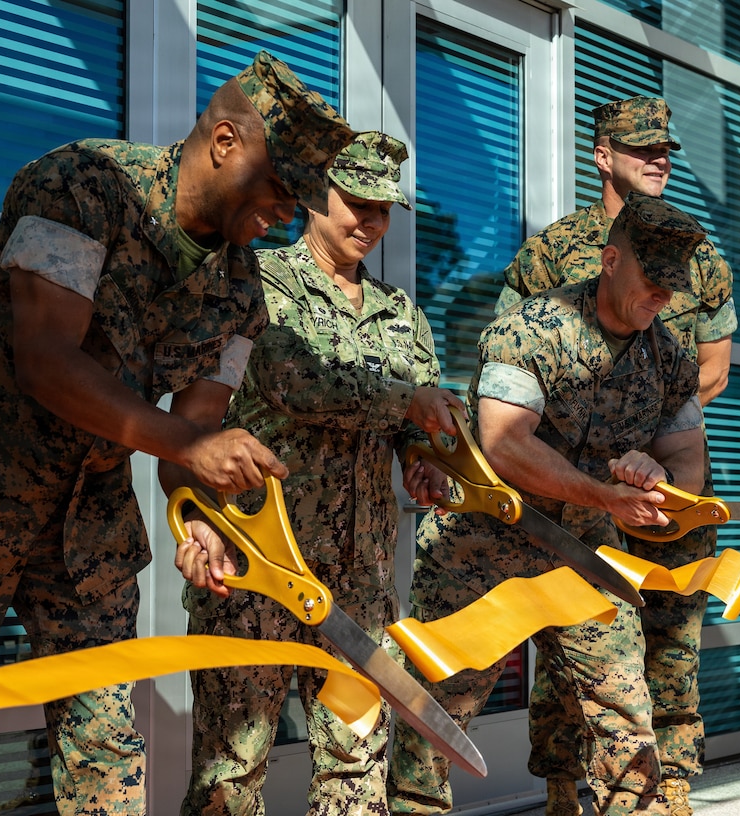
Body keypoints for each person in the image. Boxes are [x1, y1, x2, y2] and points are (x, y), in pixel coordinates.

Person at [0, 50, 355, 816]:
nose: (287, 214)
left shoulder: (242, 293)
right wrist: (186, 445)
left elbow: (194, 431)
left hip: (87, 521)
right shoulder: (81, 186)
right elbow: (45, 359)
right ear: (226, 141)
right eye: (280, 189)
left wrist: (199, 521)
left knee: (105, 751)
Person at [170, 130, 464, 816]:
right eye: (355, 202)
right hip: (257, 573)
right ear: (313, 196)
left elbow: (409, 431)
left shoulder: (402, 315)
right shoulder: (258, 285)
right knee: (229, 778)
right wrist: (407, 401)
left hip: (358, 589)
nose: (369, 222)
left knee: (357, 774)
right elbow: (294, 380)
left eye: (383, 209)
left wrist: (423, 466)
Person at [387, 193, 709, 816]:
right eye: (653, 280)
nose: (663, 298)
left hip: (584, 554)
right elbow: (506, 446)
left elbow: (689, 460)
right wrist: (605, 494)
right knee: (435, 722)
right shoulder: (532, 329)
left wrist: (659, 477)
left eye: (675, 286)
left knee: (625, 717)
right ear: (611, 260)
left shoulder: (668, 355)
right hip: (480, 549)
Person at [496, 96, 737, 816]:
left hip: (666, 480)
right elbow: (513, 359)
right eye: (640, 149)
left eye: (664, 149)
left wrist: (644, 440)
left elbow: (712, 372)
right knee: (571, 632)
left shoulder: (700, 252)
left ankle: (668, 789)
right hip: (573, 484)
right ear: (602, 155)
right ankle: (565, 787)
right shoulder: (553, 251)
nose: (657, 159)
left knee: (671, 636)